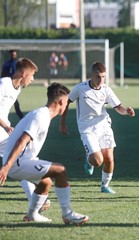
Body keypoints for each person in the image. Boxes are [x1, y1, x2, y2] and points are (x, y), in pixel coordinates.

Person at [0, 82, 90, 224]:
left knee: (45, 183)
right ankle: (67, 214)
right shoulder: (41, 116)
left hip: (22, 161)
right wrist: (6, 166)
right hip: (17, 163)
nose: (67, 106)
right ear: (61, 101)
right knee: (60, 170)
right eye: (66, 102)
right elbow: (22, 141)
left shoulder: (43, 114)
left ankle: (32, 215)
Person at [60, 62, 135, 194]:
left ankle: (104, 186)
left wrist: (127, 111)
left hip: (104, 126)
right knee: (97, 161)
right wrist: (62, 123)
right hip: (87, 128)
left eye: (103, 77)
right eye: (98, 76)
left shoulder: (106, 89)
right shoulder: (80, 88)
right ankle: (89, 157)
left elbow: (118, 107)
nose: (101, 80)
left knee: (109, 159)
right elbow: (66, 103)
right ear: (92, 75)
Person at [0, 58, 50, 212]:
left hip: (3, 130)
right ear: (23, 73)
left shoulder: (17, 88)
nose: (33, 79)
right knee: (18, 159)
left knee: (17, 160)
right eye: (32, 75)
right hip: (2, 130)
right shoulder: (4, 84)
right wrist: (6, 126)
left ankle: (36, 198)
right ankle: (36, 199)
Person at [1, 49, 23, 119]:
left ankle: (21, 117)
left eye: (15, 54)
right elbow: (3, 73)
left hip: (13, 86)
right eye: (12, 54)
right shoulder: (6, 63)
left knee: (15, 102)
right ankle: (22, 117)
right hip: (7, 85)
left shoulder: (17, 64)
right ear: (10, 55)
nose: (13, 56)